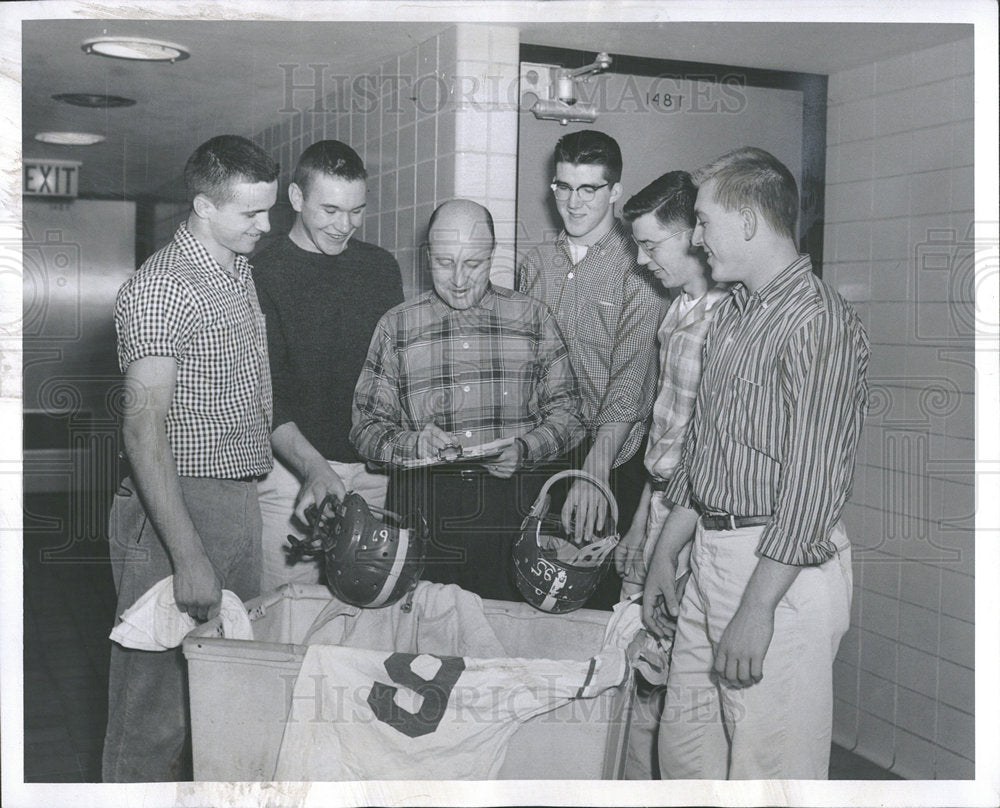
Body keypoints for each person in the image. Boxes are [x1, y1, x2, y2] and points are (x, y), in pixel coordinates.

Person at [642, 147, 870, 780]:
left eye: (704, 221)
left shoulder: (818, 322)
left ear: (747, 222)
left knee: (769, 774)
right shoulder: (734, 314)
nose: (695, 237)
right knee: (686, 760)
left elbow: (814, 487)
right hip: (712, 552)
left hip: (777, 569)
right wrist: (668, 548)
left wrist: (757, 609)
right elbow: (707, 449)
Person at [104, 135, 278, 782]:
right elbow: (143, 433)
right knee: (153, 719)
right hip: (178, 508)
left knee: (224, 698)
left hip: (234, 500)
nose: (266, 225)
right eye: (250, 214)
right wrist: (188, 555)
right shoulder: (162, 289)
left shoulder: (234, 268)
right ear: (204, 206)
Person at [351, 199, 585, 601]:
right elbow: (365, 428)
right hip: (423, 507)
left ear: (492, 255)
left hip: (512, 506)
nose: (458, 279)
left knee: (507, 637)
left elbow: (571, 415)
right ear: (427, 257)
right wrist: (414, 443)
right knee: (423, 638)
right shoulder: (397, 326)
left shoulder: (534, 318)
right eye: (444, 263)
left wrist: (524, 449)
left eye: (473, 264)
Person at [611, 171, 729, 780]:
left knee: (677, 682)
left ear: (693, 235)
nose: (641, 259)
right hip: (660, 507)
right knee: (641, 668)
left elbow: (708, 451)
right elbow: (665, 435)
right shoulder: (679, 308)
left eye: (651, 245)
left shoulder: (727, 319)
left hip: (696, 521)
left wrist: (668, 543)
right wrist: (640, 522)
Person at [518, 130, 666, 606]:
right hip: (541, 451)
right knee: (528, 594)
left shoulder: (641, 268)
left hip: (608, 456)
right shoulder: (536, 261)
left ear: (615, 191)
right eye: (563, 187)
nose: (573, 202)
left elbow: (631, 377)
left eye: (589, 189)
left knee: (587, 603)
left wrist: (594, 471)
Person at [253, 140, 403, 591]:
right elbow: (267, 393)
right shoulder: (262, 271)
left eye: (356, 211)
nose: (344, 226)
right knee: (286, 609)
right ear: (297, 199)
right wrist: (316, 470)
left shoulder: (381, 268)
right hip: (292, 477)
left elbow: (393, 376)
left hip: (371, 476)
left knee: (359, 608)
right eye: (331, 210)